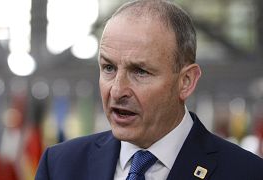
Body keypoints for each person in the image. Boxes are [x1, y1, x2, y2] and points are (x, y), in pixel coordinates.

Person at [35, 0, 263, 179]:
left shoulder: (247, 173)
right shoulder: (59, 166)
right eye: (108, 67)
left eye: (140, 72)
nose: (117, 91)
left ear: (186, 82)